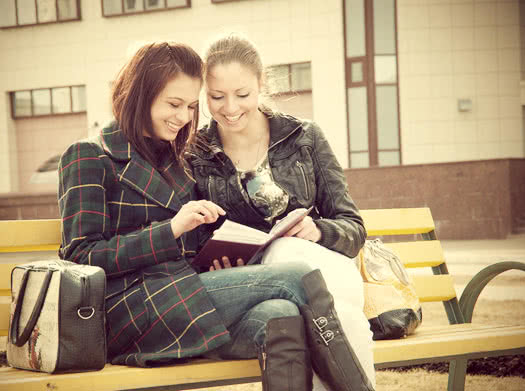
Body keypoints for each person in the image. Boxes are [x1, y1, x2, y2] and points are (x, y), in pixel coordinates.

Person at [58, 41, 373, 391]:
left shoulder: (178, 157)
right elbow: (80, 256)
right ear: (139, 95)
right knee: (296, 277)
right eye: (174, 104)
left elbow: (194, 249)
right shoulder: (89, 155)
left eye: (192, 107)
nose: (184, 117)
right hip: (129, 310)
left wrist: (218, 260)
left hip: (183, 296)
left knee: (280, 316)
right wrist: (172, 229)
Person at [187, 33, 377, 390]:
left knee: (290, 253)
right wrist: (220, 266)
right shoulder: (195, 153)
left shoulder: (305, 136)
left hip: (327, 271)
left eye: (242, 94)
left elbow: (353, 228)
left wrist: (318, 231)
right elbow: (194, 242)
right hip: (260, 291)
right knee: (339, 318)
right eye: (216, 97)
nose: (230, 107)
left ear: (261, 84)